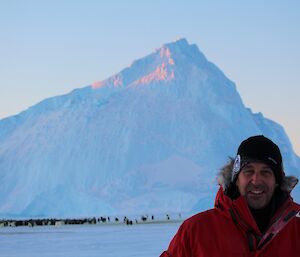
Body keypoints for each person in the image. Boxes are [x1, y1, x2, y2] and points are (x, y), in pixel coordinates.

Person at [160, 135, 300, 257]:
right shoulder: (195, 231)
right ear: (236, 179)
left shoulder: (296, 234)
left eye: (266, 172)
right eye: (248, 171)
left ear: (277, 181)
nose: (256, 180)